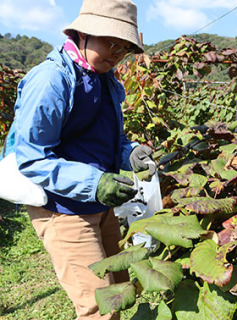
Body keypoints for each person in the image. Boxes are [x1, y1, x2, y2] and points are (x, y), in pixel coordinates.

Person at [1, 0, 156, 319]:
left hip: (99, 205)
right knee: (97, 307)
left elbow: (108, 141)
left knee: (119, 285)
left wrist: (131, 153)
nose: (117, 53)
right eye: (111, 42)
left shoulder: (105, 81)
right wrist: (95, 183)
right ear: (82, 33)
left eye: (125, 47)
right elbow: (31, 158)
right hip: (62, 210)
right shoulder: (52, 81)